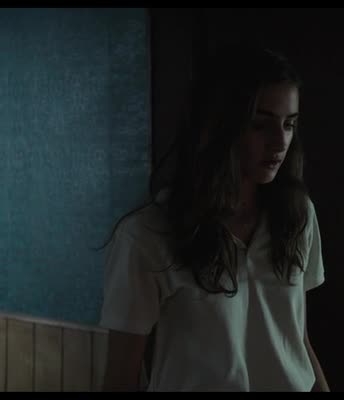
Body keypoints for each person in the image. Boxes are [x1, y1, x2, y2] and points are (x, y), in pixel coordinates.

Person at [99, 44, 329, 392]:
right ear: (220, 126)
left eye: (289, 124)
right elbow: (120, 379)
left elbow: (296, 340)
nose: (279, 141)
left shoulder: (297, 216)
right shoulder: (147, 236)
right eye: (260, 124)